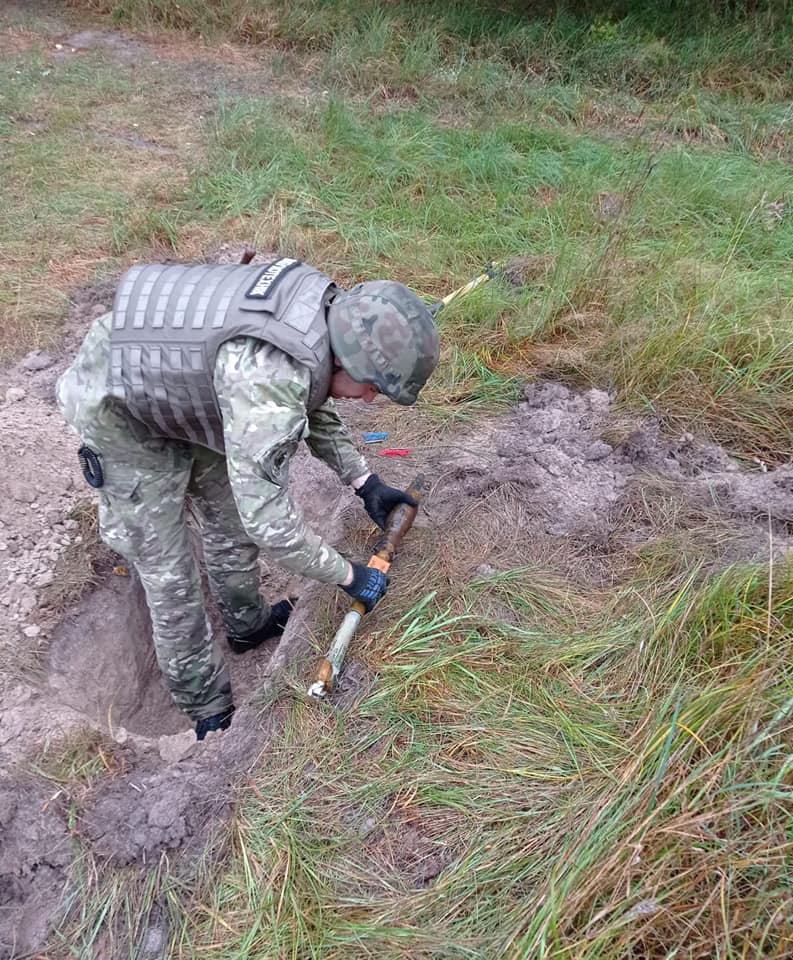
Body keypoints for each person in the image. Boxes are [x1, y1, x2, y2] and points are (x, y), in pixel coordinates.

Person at [56, 256, 439, 739]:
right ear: (348, 357)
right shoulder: (266, 380)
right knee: (170, 573)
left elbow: (310, 399)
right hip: (121, 405)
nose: (368, 400)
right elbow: (271, 523)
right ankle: (207, 709)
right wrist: (349, 574)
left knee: (229, 516)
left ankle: (247, 625)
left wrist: (365, 483)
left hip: (198, 392)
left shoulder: (324, 316)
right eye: (371, 387)